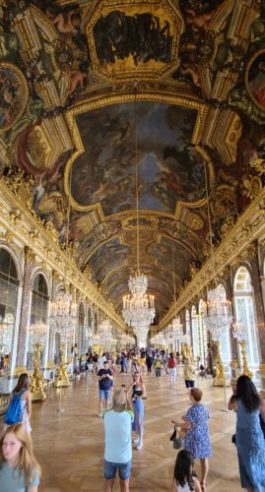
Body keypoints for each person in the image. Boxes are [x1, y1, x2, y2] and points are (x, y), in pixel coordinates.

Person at [228, 375, 265, 492]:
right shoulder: (258, 399)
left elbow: (229, 407)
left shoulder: (236, 400)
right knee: (259, 465)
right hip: (257, 437)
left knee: (246, 468)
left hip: (243, 439)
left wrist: (234, 393)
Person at [172, 388, 211, 491]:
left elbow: (188, 425)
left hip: (193, 439)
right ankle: (203, 482)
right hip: (204, 437)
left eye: (189, 394)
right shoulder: (204, 407)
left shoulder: (192, 410)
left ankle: (190, 480)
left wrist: (178, 424)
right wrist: (187, 418)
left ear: (192, 397)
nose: (188, 396)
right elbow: (202, 419)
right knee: (204, 459)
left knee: (189, 460)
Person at [103, 388, 134, 492]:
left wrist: (111, 402)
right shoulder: (128, 416)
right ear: (125, 402)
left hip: (110, 456)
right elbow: (131, 411)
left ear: (113, 400)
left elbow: (107, 409)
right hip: (125, 457)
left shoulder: (106, 415)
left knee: (108, 484)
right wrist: (128, 400)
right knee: (125, 485)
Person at [0, 423, 41, 492]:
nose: (7, 449)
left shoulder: (30, 470)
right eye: (4, 444)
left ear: (22, 444)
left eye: (12, 443)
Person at [128, 372, 146, 450]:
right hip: (133, 404)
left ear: (140, 376)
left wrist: (137, 397)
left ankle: (141, 441)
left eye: (138, 376)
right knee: (135, 420)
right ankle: (138, 437)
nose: (136, 377)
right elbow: (127, 394)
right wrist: (131, 385)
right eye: (135, 376)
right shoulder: (134, 385)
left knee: (139, 422)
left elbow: (144, 395)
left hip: (139, 404)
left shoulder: (142, 384)